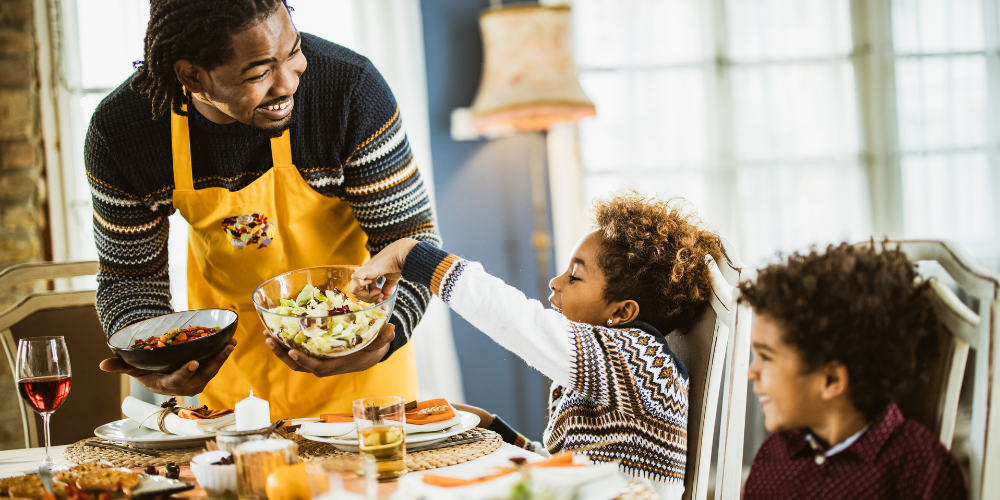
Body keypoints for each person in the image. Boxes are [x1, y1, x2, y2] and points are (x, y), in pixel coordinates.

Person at [87, 0, 440, 419]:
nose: (288, 83)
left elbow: (410, 241)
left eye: (294, 52)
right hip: (235, 393)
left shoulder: (349, 89)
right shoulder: (123, 132)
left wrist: (381, 337)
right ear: (191, 75)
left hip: (361, 379)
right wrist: (157, 361)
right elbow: (130, 277)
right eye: (258, 74)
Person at [352, 191, 721, 499]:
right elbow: (572, 466)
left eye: (575, 276)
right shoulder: (614, 365)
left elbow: (518, 320)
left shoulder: (641, 360)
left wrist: (411, 255)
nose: (555, 282)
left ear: (622, 312)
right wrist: (494, 428)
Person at [739, 243, 967, 500]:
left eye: (766, 357)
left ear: (831, 380)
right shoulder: (772, 459)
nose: (751, 372)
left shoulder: (921, 470)